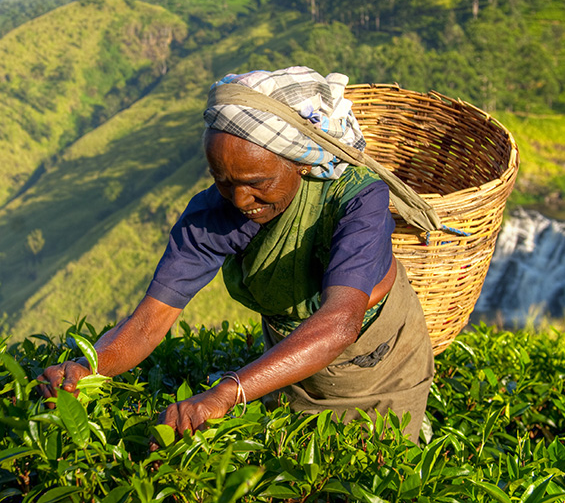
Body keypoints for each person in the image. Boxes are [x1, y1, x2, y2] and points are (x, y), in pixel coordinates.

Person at [38, 66, 435, 443]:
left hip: (381, 362)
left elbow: (339, 323)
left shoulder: (357, 199)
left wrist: (225, 393)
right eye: (223, 181)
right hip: (290, 361)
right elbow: (148, 323)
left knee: (377, 466)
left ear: (300, 162)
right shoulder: (213, 214)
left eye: (257, 182)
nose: (241, 199)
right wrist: (87, 368)